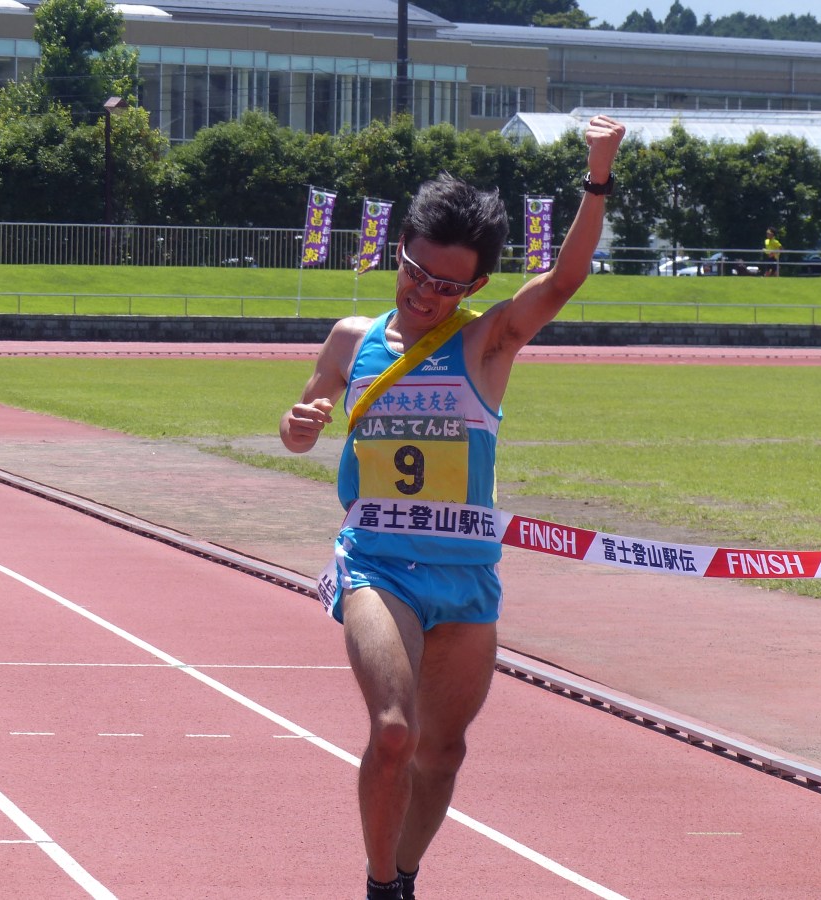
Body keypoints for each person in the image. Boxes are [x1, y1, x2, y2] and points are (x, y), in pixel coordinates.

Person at [280, 114, 625, 900]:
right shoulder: (349, 339)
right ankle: (377, 886)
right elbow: (302, 424)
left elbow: (564, 282)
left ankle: (402, 877)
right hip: (379, 565)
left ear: (473, 286)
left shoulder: (488, 342)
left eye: (448, 285)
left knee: (444, 752)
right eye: (415, 272)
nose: (426, 293)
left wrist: (597, 176)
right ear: (398, 251)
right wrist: (298, 424)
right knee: (396, 734)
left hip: (467, 575)